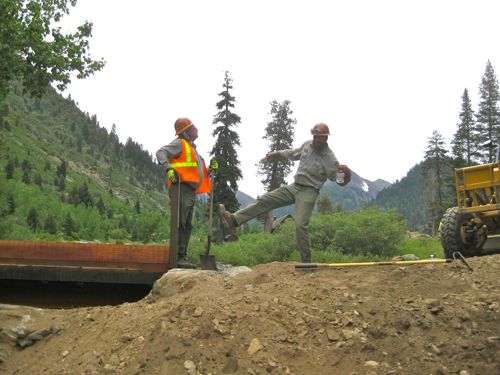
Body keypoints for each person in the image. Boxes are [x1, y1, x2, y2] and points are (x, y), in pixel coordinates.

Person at [219, 122, 350, 263]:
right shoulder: (307, 145)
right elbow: (292, 153)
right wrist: (275, 154)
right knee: (266, 200)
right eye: (314, 136)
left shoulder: (330, 158)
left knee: (300, 225)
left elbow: (339, 181)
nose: (316, 139)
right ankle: (234, 219)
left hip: (309, 192)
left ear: (326, 138)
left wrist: (346, 174)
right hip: (295, 186)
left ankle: (306, 262)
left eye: (319, 137)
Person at [156, 117, 217, 267]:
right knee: (180, 223)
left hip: (189, 191)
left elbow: (194, 171)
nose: (196, 130)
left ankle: (182, 257)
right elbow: (160, 152)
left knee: (187, 225)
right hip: (181, 188)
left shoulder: (192, 148)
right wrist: (168, 169)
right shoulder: (179, 143)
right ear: (186, 132)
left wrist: (210, 170)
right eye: (193, 128)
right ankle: (176, 258)